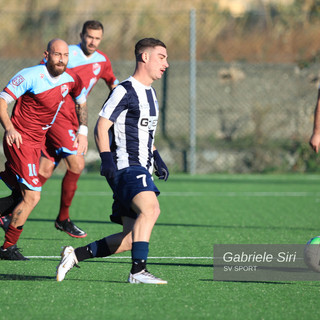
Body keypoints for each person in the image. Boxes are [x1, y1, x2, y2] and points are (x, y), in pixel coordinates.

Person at [56, 38, 170, 284]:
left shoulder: (150, 95)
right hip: (126, 167)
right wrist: (106, 159)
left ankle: (75, 255)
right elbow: (102, 126)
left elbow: (144, 133)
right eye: (162, 57)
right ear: (145, 57)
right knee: (151, 209)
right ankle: (138, 271)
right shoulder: (124, 90)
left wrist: (157, 157)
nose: (166, 64)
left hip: (141, 167)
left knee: (130, 238)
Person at [0, 21, 119, 238]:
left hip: (72, 120)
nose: (92, 41)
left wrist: (120, 104)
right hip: (56, 120)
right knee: (77, 162)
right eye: (89, 36)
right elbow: (42, 77)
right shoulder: (66, 53)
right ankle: (62, 218)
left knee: (44, 171)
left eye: (97, 38)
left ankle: (10, 210)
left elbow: (112, 83)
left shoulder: (103, 60)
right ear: (81, 35)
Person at [0, 39, 87, 260]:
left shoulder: (71, 78)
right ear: (46, 55)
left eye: (65, 55)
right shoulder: (30, 75)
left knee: (20, 193)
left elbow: (81, 100)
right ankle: (7, 248)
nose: (62, 60)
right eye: (57, 55)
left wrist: (83, 131)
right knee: (32, 196)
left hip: (38, 141)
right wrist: (10, 129)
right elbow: (2, 101)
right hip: (20, 141)